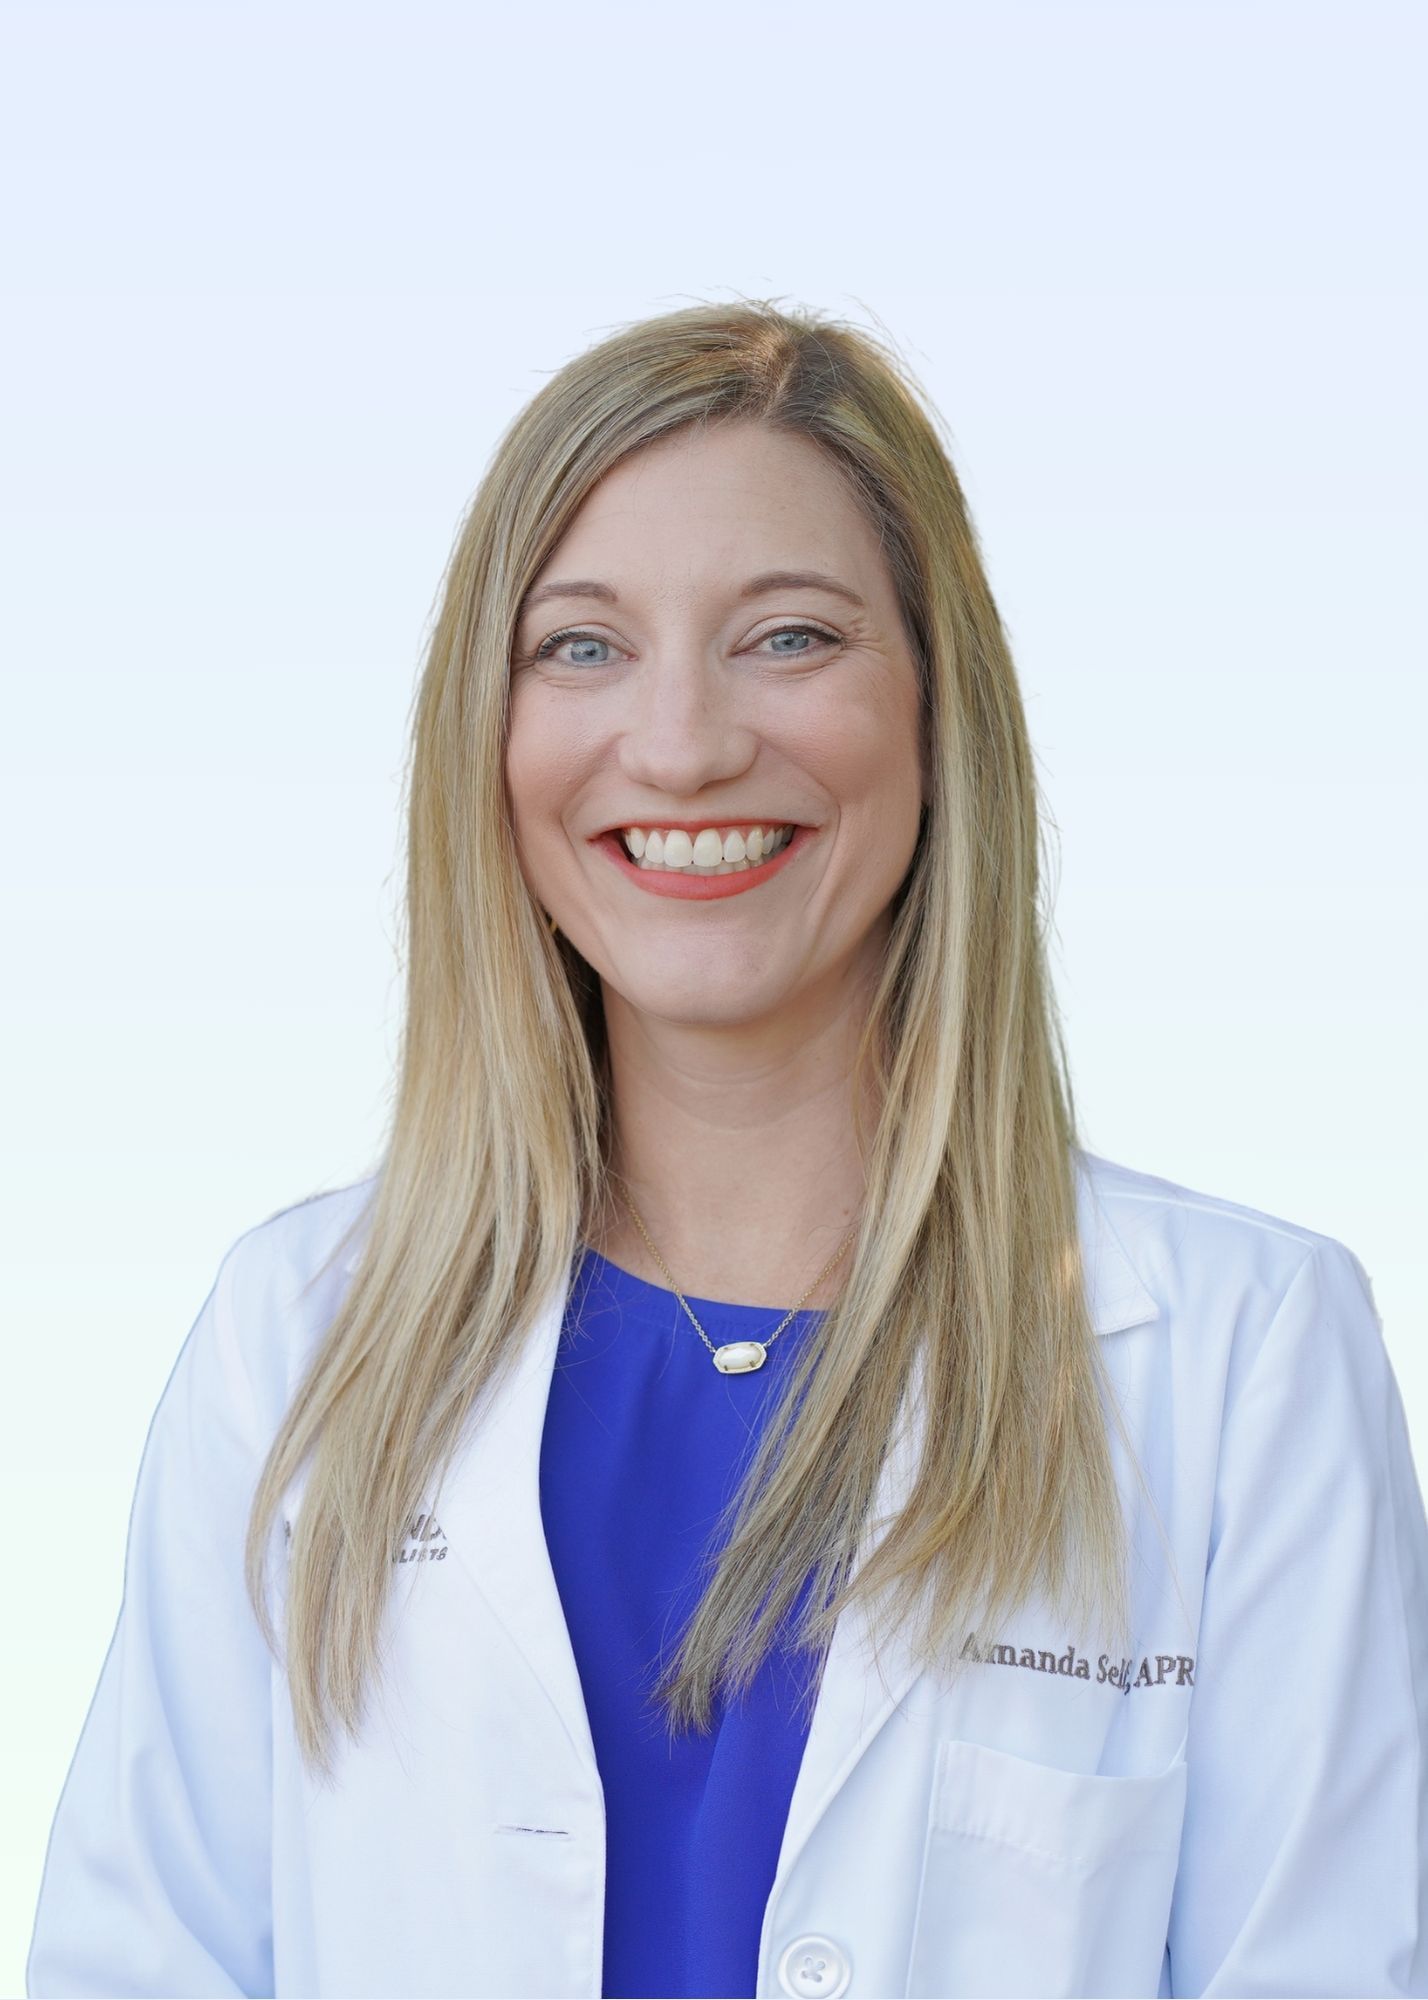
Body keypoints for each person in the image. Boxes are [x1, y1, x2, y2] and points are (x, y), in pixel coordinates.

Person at [27, 299, 1428, 2000]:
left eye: (788, 638)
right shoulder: (294, 1338)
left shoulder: (1241, 1357)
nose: (681, 743)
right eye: (583, 648)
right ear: (491, 731)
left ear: (937, 708)